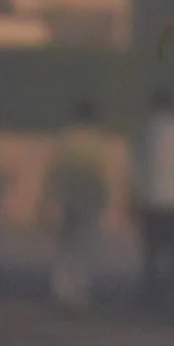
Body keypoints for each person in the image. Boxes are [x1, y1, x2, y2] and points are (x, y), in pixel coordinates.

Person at [43, 101, 118, 310]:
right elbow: (101, 171)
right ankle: (80, 290)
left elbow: (55, 169)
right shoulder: (98, 140)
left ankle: (61, 289)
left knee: (66, 246)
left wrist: (47, 198)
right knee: (85, 247)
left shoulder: (66, 137)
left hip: (69, 197)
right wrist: (106, 197)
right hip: (90, 198)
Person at [134, 87, 174, 315]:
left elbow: (137, 168)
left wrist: (133, 197)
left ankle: (151, 293)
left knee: (150, 251)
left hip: (150, 199)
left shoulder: (145, 131)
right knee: (173, 251)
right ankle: (173, 295)